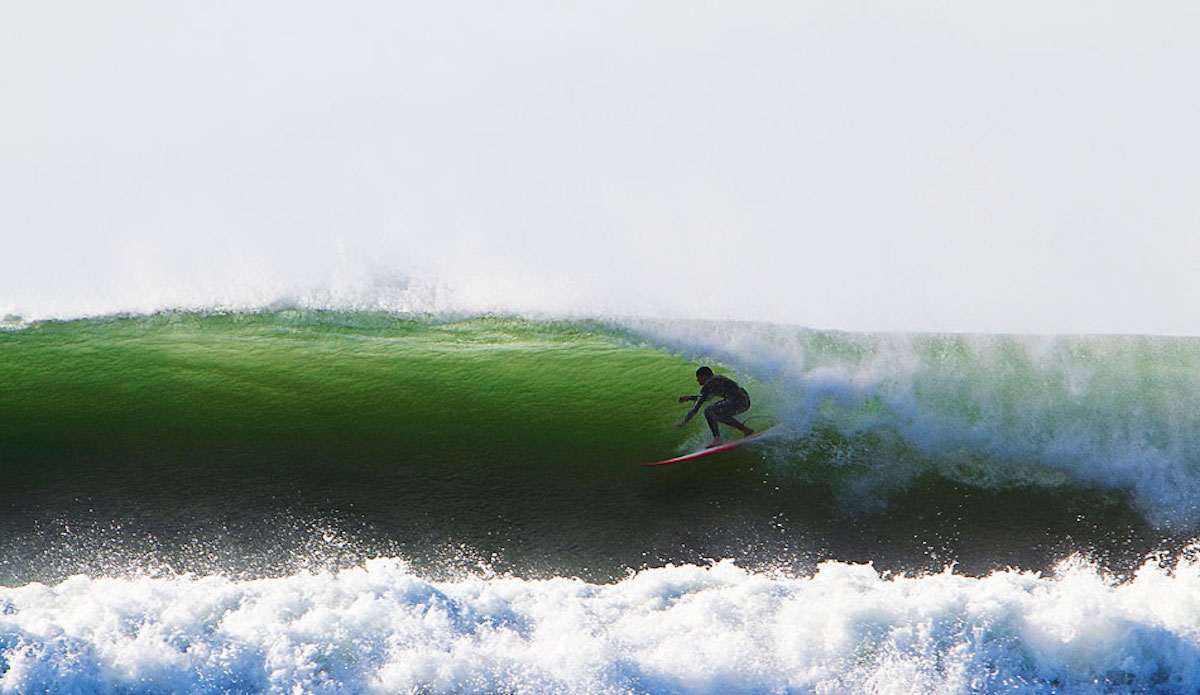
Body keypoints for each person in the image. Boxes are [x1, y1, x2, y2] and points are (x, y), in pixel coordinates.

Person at [675, 366, 753, 448]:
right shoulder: (716, 380)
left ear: (705, 376)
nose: (697, 380)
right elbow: (707, 398)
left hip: (739, 402)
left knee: (709, 411)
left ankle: (717, 439)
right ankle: (746, 430)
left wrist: (685, 421)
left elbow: (697, 406)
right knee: (717, 414)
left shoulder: (709, 384)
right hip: (743, 401)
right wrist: (690, 398)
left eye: (698, 377)